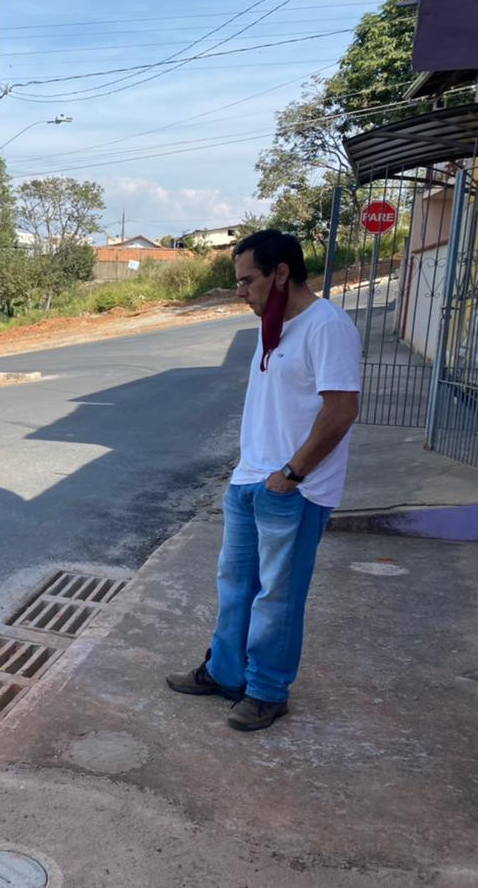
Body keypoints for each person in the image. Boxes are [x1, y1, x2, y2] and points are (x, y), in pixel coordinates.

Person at [166, 230, 361, 732]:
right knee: (235, 587)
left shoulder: (327, 327)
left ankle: (269, 691)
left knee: (278, 596)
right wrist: (250, 471)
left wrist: (292, 474)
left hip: (294, 489)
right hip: (249, 481)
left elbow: (341, 412)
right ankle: (227, 674)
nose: (240, 291)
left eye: (247, 280)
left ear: (280, 274)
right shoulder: (271, 326)